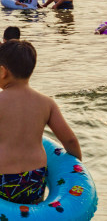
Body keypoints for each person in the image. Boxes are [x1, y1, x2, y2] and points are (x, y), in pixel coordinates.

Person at [0, 40, 81, 205]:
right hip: (35, 176)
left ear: (2, 72)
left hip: (3, 176)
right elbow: (70, 140)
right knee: (33, 213)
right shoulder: (46, 103)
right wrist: (75, 169)